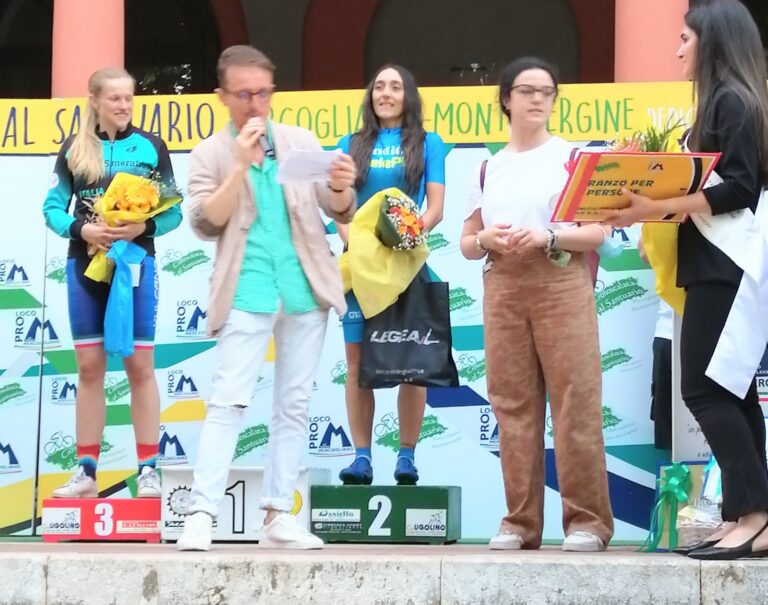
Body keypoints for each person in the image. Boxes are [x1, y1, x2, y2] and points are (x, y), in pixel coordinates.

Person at [177, 45, 357, 551]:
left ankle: (279, 515)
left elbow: (337, 206)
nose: (256, 103)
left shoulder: (298, 142)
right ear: (222, 96)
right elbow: (205, 222)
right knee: (227, 400)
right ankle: (201, 514)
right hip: (246, 287)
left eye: (263, 92)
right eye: (244, 94)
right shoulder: (210, 153)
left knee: (294, 404)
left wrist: (342, 188)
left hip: (304, 287)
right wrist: (239, 166)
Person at [608, 0, 768, 560]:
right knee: (732, 390)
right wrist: (645, 200)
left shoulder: (731, 100)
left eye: (684, 37)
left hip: (725, 266)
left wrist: (662, 200)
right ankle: (747, 516)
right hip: (714, 264)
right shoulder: (722, 101)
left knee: (704, 388)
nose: (677, 48)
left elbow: (739, 187)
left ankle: (754, 513)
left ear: (712, 40)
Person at [460, 57, 614, 552]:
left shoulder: (572, 157)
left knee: (575, 400)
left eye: (547, 91)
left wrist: (549, 233)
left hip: (560, 276)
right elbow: (466, 241)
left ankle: (588, 521)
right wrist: (486, 237)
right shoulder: (488, 166)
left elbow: (599, 231)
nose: (537, 99)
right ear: (505, 98)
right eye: (526, 90)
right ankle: (519, 522)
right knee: (511, 404)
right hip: (502, 282)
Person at [42, 67, 182, 500]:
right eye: (115, 98)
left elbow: (174, 212)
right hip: (84, 266)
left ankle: (148, 469)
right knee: (88, 368)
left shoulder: (151, 146)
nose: (124, 105)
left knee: (139, 366)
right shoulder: (74, 148)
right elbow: (51, 207)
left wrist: (142, 227)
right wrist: (80, 231)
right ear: (96, 101)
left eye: (129, 98)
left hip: (135, 265)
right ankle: (86, 471)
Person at [336, 64, 446, 486]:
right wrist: (356, 243)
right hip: (359, 267)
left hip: (407, 264)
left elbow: (435, 207)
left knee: (413, 363)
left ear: (408, 95)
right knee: (356, 362)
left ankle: (406, 456)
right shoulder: (350, 143)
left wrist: (406, 236)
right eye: (379, 86)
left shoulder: (428, 143)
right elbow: (338, 205)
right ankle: (361, 457)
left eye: (395, 86)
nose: (386, 93)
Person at [638, 237, 673, 451]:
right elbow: (645, 252)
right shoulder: (667, 209)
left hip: (723, 330)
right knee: (671, 431)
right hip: (669, 332)